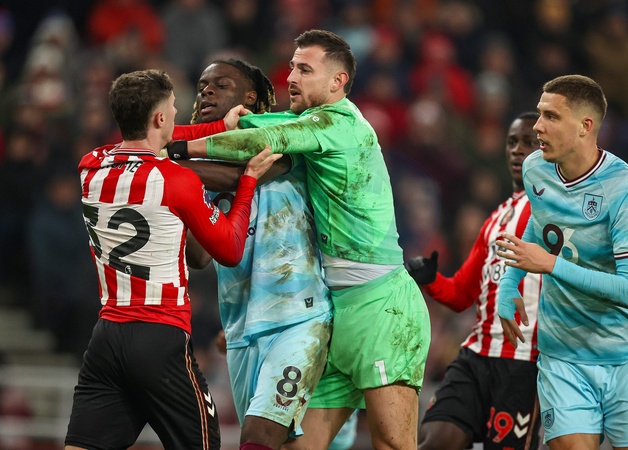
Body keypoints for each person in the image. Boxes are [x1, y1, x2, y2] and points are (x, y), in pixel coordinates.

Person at [167, 29, 431, 449]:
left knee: (393, 444)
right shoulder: (305, 124)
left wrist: (169, 153)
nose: (291, 77)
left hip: (380, 306)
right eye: (291, 67)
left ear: (337, 81)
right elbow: (259, 127)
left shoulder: (336, 123)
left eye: (305, 70)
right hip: (336, 309)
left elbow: (261, 140)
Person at [65, 68, 280, 450]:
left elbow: (156, 135)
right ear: (161, 117)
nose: (179, 115)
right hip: (160, 337)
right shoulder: (176, 180)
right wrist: (248, 181)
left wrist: (218, 128)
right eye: (174, 108)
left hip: (107, 336)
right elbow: (230, 250)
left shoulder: (89, 165)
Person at [172, 58, 351, 450]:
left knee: (259, 436)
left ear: (250, 98)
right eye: (202, 87)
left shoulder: (284, 138)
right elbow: (199, 258)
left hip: (299, 317)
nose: (207, 91)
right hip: (240, 326)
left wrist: (173, 162)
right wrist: (183, 199)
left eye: (221, 84)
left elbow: (242, 175)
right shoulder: (197, 173)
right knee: (275, 443)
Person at [496, 74, 628, 449]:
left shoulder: (627, 190)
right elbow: (540, 225)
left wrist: (550, 265)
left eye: (551, 116)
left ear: (585, 126)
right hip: (563, 354)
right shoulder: (536, 168)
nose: (537, 126)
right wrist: (508, 284)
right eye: (540, 114)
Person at [405, 112, 542, 450]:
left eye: (529, 142)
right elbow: (462, 294)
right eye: (512, 142)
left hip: (523, 362)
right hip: (475, 356)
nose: (517, 150)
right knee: (436, 439)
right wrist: (431, 280)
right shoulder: (495, 218)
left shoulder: (555, 211)